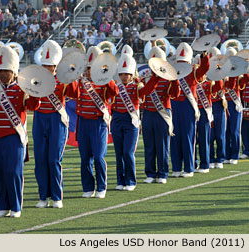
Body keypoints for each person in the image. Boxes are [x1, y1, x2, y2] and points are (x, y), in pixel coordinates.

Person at [0, 46, 40, 218]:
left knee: (13, 172)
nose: (2, 74)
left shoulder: (21, 89)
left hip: (14, 137)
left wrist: (34, 92)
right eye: (0, 71)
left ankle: (16, 206)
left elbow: (32, 106)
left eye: (6, 71)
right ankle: (2, 206)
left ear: (13, 72)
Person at [33, 40, 79, 208]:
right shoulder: (36, 80)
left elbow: (75, 94)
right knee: (40, 159)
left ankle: (57, 196)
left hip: (56, 120)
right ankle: (43, 196)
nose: (47, 69)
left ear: (55, 66)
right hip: (39, 119)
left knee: (53, 159)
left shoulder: (62, 80)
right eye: (44, 65)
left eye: (50, 66)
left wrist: (71, 76)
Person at [111, 46, 157, 191]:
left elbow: (148, 90)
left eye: (127, 74)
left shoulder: (137, 86)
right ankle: (121, 180)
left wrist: (155, 77)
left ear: (131, 74)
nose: (124, 76)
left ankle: (130, 181)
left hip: (131, 122)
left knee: (127, 152)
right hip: (117, 120)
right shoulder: (115, 87)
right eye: (122, 74)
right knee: (119, 153)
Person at [76, 46, 118, 198]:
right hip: (83, 123)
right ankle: (88, 187)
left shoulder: (104, 82)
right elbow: (72, 92)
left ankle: (101, 186)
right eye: (88, 68)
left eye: (92, 68)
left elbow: (115, 92)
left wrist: (106, 76)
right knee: (85, 158)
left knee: (99, 157)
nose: (89, 71)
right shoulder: (81, 82)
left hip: (98, 123)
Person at [140, 45, 180, 184]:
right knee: (149, 145)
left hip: (162, 114)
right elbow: (143, 93)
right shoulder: (145, 78)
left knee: (162, 145)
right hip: (148, 114)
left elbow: (174, 95)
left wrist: (175, 82)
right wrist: (154, 78)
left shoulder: (168, 79)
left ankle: (163, 173)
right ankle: (150, 173)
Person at [170, 43, 209, 178]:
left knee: (188, 137)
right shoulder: (173, 70)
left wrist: (204, 56)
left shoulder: (193, 70)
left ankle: (188, 168)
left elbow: (204, 69)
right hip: (174, 104)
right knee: (174, 137)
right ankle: (176, 167)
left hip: (188, 106)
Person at [224, 48, 248, 164]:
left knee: (234, 131)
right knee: (226, 131)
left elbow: (245, 81)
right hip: (224, 103)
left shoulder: (239, 72)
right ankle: (227, 155)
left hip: (235, 104)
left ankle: (235, 155)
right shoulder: (222, 71)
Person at [209, 47, 227, 169]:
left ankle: (220, 158)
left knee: (220, 134)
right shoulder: (205, 70)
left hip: (219, 104)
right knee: (210, 135)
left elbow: (220, 86)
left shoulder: (222, 70)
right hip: (209, 104)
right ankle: (210, 158)